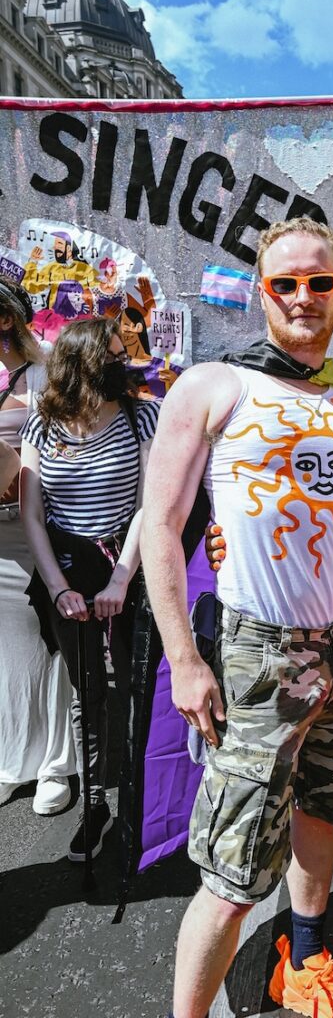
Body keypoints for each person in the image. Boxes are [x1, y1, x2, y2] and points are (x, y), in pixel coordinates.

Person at [140, 218, 333, 1018]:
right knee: (235, 866)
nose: (304, 297)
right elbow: (159, 525)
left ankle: (305, 959)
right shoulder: (214, 384)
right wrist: (183, 656)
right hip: (259, 652)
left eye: (321, 282)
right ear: (261, 291)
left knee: (325, 808)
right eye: (286, 283)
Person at [20, 317, 158, 858]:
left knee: (133, 685)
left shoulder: (140, 415)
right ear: (85, 362)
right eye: (115, 354)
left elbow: (150, 505)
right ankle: (94, 801)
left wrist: (122, 578)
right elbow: (33, 515)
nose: (125, 361)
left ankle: (135, 806)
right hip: (66, 570)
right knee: (87, 693)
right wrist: (58, 588)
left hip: (126, 565)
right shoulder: (42, 426)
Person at [0, 278, 76, 814]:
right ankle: (11, 759)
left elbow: (78, 442)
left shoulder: (47, 373)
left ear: (6, 319)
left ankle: (56, 765)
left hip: (40, 528)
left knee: (52, 648)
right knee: (7, 654)